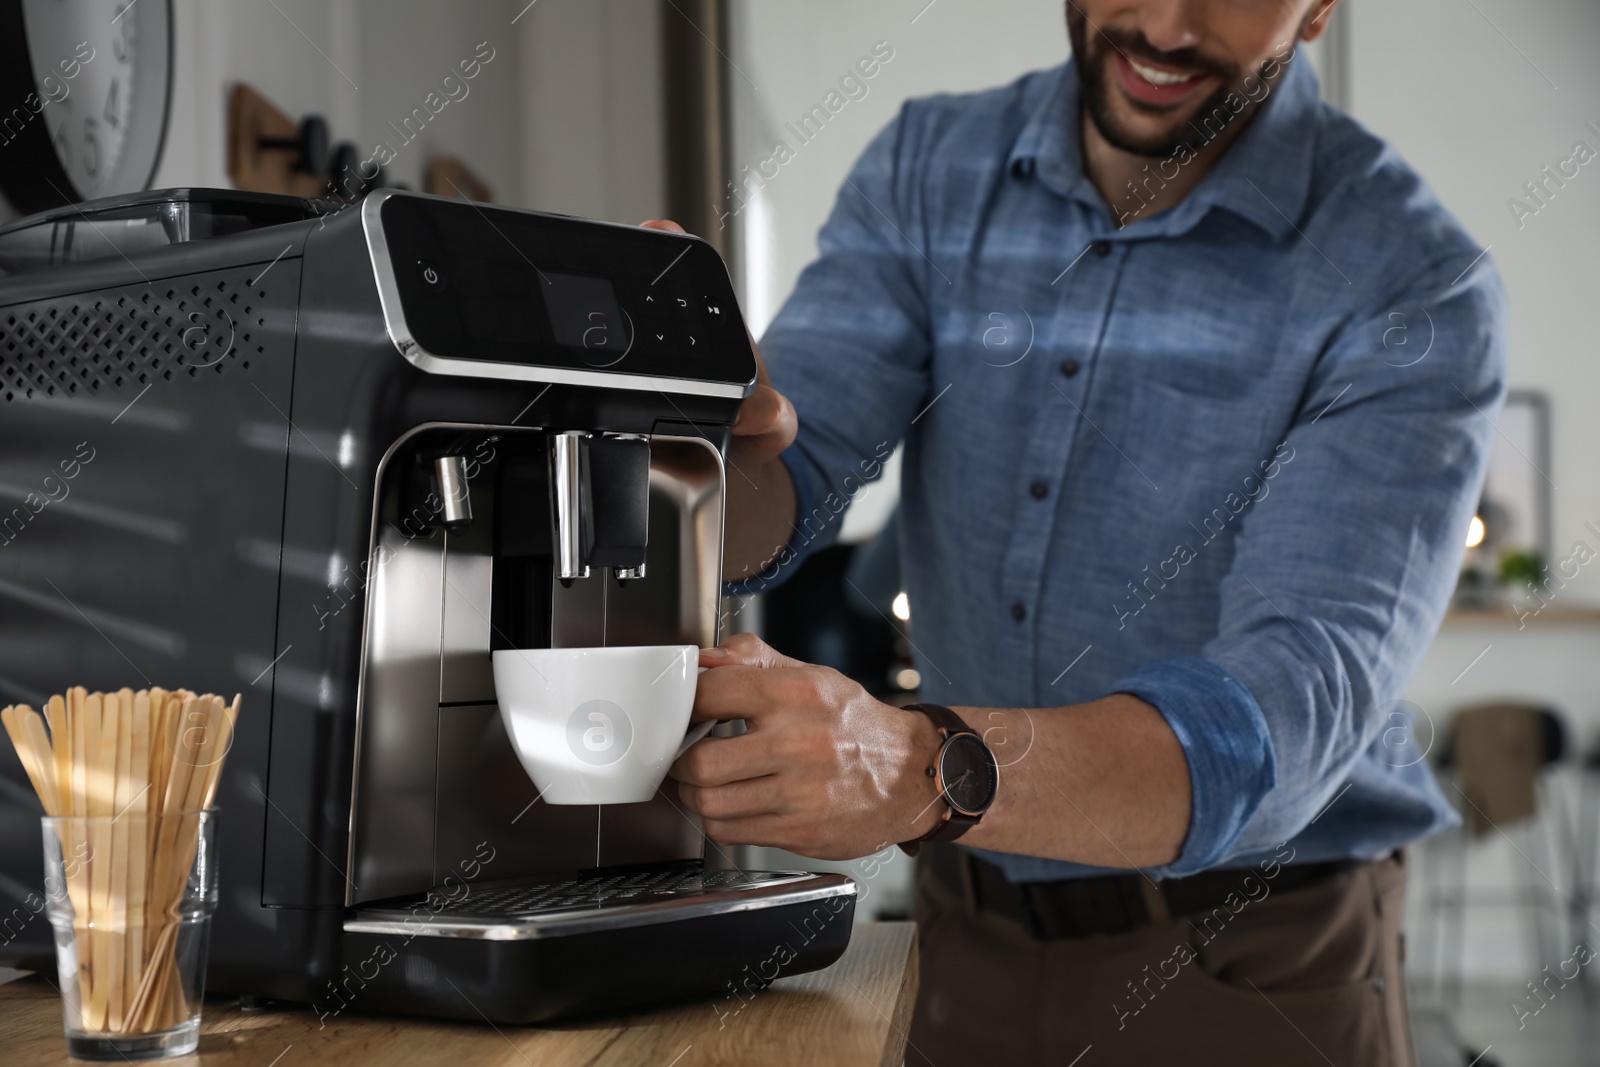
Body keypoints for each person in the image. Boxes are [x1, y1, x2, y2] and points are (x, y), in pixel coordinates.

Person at [653, 0, 1506, 1062]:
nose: (1161, 22)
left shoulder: (1412, 280)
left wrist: (921, 764)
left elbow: (1283, 713)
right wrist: (687, 447)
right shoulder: (929, 163)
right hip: (960, 932)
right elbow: (786, 482)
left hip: (1246, 962)